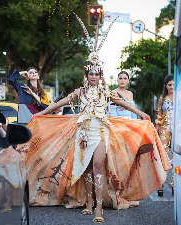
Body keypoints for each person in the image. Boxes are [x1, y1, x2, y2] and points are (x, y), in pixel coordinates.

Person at [15, 13, 171, 224]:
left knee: (98, 165)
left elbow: (123, 103)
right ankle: (88, 202)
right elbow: (58, 104)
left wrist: (142, 114)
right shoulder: (79, 91)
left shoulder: (106, 92)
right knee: (86, 168)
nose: (94, 76)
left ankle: (98, 206)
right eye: (91, 73)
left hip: (101, 132)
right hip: (82, 132)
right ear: (87, 74)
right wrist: (41, 114)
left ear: (101, 74)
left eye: (97, 73)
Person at [155, 74, 174, 197]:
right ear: (166, 86)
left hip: (179, 128)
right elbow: (159, 115)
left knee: (178, 156)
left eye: (174, 84)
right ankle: (160, 185)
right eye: (170, 85)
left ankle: (174, 184)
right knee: (163, 155)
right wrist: (156, 130)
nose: (172, 87)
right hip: (164, 128)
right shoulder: (162, 99)